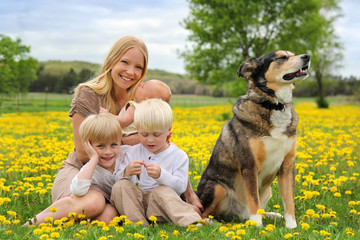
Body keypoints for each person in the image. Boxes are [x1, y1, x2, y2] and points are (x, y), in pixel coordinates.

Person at [50, 35, 202, 224]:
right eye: (125, 62)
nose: (131, 72)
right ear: (112, 60)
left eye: (138, 67)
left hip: (121, 179)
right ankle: (33, 224)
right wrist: (133, 140)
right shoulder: (89, 94)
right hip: (85, 171)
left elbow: (164, 144)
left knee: (110, 215)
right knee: (94, 204)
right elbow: (83, 152)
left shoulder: (142, 98)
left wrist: (189, 193)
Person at [110, 99, 202, 226]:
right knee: (119, 186)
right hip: (135, 204)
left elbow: (180, 187)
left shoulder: (178, 156)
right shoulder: (132, 152)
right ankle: (138, 224)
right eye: (144, 134)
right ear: (137, 130)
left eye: (156, 134)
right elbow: (115, 179)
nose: (150, 140)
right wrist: (126, 172)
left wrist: (161, 175)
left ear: (169, 132)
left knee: (161, 191)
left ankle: (192, 221)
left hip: (159, 206)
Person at [25, 113, 122, 225]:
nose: (108, 152)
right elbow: (77, 190)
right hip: (93, 196)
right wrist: (94, 159)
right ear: (88, 146)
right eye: (100, 146)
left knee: (107, 217)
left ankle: (82, 230)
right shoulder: (91, 167)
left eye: (114, 145)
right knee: (95, 203)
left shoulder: (125, 156)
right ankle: (31, 223)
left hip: (112, 201)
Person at [100, 79, 172, 144]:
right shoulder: (153, 115)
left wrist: (107, 115)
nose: (140, 83)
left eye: (142, 86)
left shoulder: (135, 107)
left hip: (125, 141)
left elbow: (123, 121)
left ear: (145, 100)